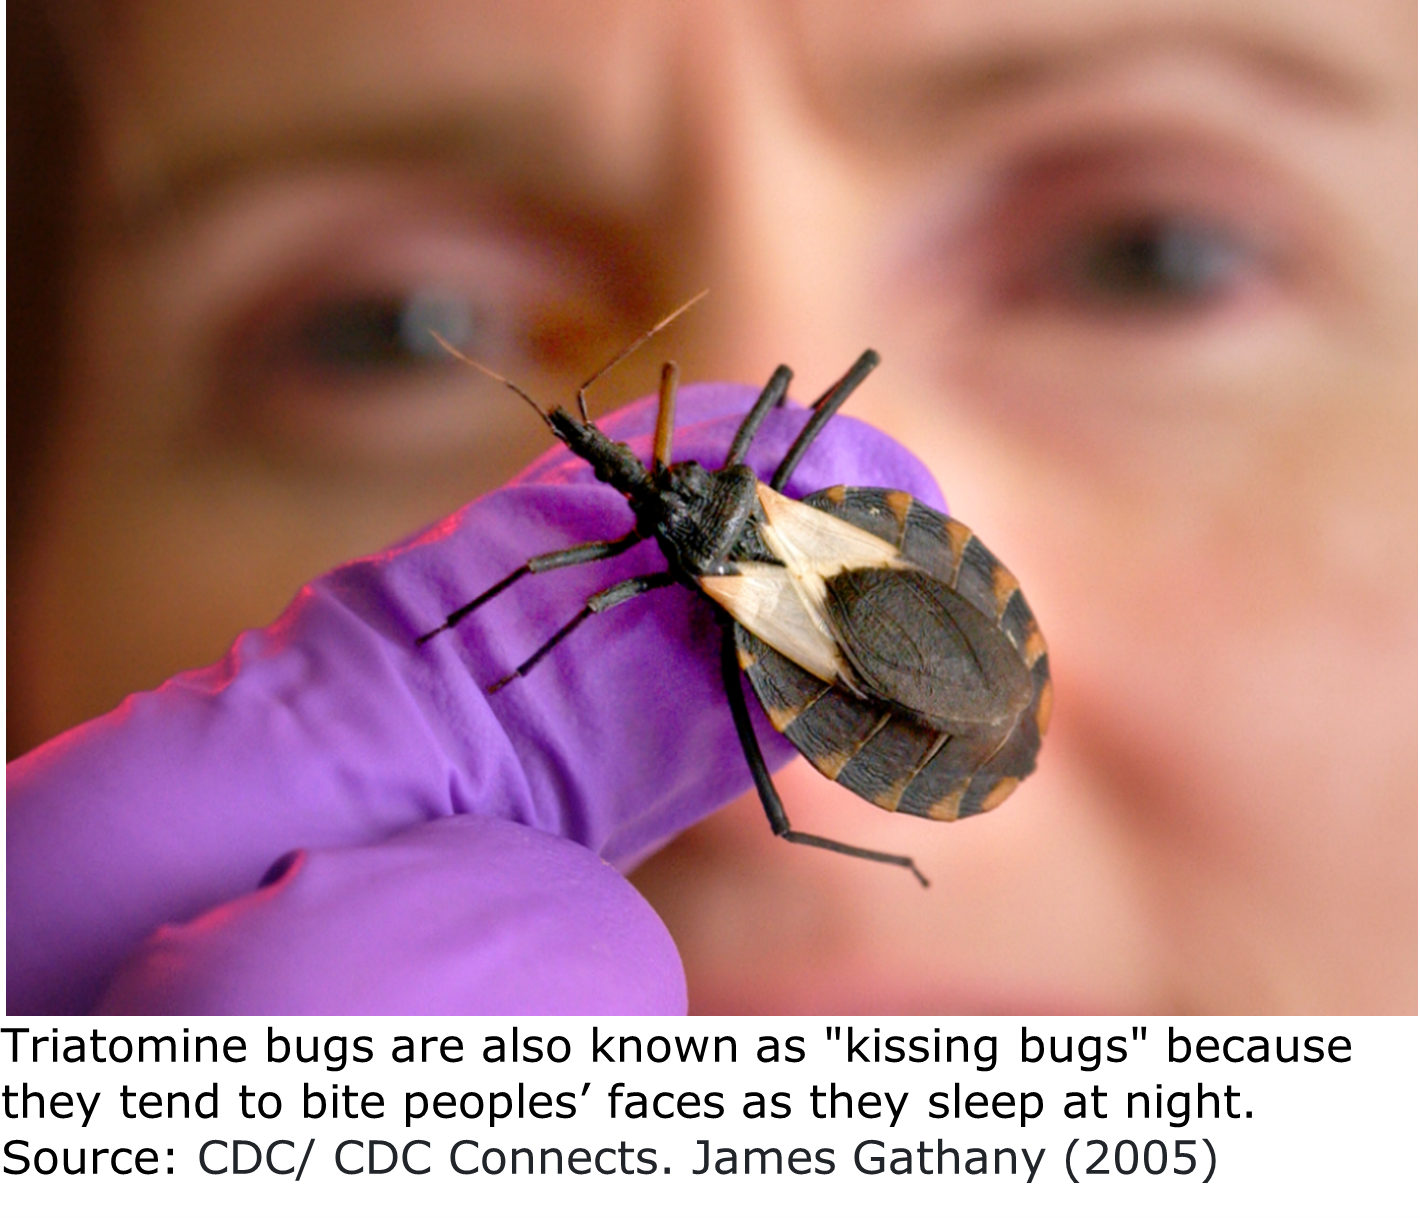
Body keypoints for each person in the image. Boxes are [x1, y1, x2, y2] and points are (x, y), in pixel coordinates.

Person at [7, 0, 1416, 1013]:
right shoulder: (683, 527)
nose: (730, 818)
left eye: (1147, 258)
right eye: (386, 324)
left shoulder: (664, 556)